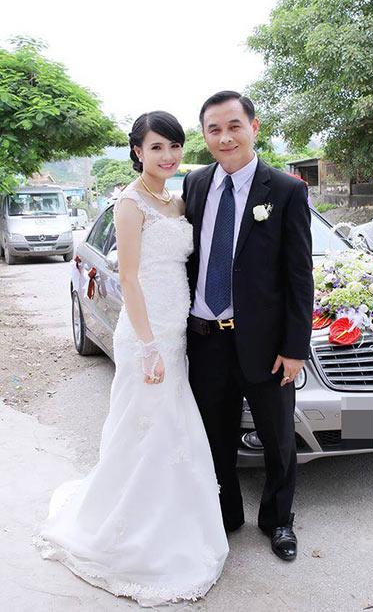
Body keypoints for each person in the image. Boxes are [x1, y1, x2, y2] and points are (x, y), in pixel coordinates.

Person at [35, 111, 228, 606]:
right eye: (157, 147)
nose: (168, 155)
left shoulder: (176, 200)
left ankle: (173, 521)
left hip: (176, 332)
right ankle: (129, 534)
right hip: (147, 336)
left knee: (173, 431)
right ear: (138, 152)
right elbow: (130, 277)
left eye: (175, 146)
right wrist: (148, 346)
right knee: (144, 431)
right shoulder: (129, 202)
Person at [182, 91, 314, 561]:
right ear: (204, 136)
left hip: (266, 344)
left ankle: (278, 520)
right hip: (206, 340)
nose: (225, 137)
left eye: (234, 126)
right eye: (214, 129)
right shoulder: (195, 184)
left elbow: (299, 275)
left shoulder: (286, 190)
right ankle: (226, 514)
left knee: (278, 439)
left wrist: (295, 347)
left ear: (254, 127)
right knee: (214, 438)